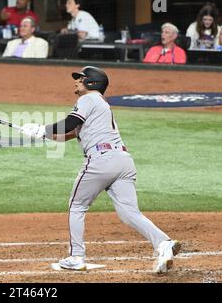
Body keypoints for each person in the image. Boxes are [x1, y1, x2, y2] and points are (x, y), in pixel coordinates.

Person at [21, 66, 181, 274]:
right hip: (123, 162)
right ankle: (163, 243)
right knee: (129, 212)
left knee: (77, 205)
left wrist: (44, 128)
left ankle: (76, 256)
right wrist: (41, 133)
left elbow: (70, 122)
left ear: (91, 83)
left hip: (101, 161)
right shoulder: (99, 106)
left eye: (81, 78)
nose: (76, 81)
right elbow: (70, 133)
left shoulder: (88, 100)